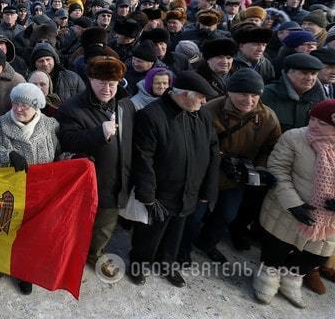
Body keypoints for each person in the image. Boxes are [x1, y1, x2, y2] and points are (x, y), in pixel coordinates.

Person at [179, 69, 281, 264]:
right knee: (194, 215)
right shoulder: (209, 110)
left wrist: (258, 168)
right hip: (205, 172)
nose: (249, 100)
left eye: (254, 95)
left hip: (237, 176)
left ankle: (207, 243)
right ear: (229, 92)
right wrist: (218, 158)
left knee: (227, 214)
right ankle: (182, 248)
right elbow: (193, 140)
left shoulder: (268, 118)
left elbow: (271, 148)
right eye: (243, 94)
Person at [130, 71, 220, 288]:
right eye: (200, 96)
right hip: (161, 192)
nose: (204, 101)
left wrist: (208, 190)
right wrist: (148, 197)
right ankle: (138, 264)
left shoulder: (202, 115)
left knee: (176, 232)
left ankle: (167, 263)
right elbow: (143, 159)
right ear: (183, 95)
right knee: (149, 233)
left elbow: (212, 151)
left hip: (190, 189)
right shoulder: (152, 115)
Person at [57, 56, 134, 278]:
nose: (107, 88)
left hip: (117, 177)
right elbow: (67, 140)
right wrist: (99, 133)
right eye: (101, 82)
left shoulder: (125, 105)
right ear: (90, 79)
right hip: (88, 181)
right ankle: (69, 254)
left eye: (112, 83)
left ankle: (95, 253)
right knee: (77, 222)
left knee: (106, 224)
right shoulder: (73, 107)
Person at [253, 100, 335, 308]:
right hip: (287, 208)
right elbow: (277, 170)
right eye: (313, 119)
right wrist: (294, 205)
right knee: (276, 250)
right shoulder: (295, 137)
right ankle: (267, 279)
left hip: (326, 222)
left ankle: (291, 280)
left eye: (323, 123)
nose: (314, 125)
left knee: (314, 256)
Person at [0, 83, 61, 294]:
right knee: (1, 233)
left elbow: (59, 155)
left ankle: (25, 272)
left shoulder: (50, 125)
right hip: (6, 192)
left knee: (31, 236)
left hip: (38, 193)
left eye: (24, 105)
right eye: (15, 103)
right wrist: (7, 156)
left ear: (36, 106)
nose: (18, 108)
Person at [261, 53, 326, 132]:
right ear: (288, 73)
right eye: (304, 73)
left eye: (313, 74)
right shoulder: (267, 94)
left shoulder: (321, 101)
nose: (309, 78)